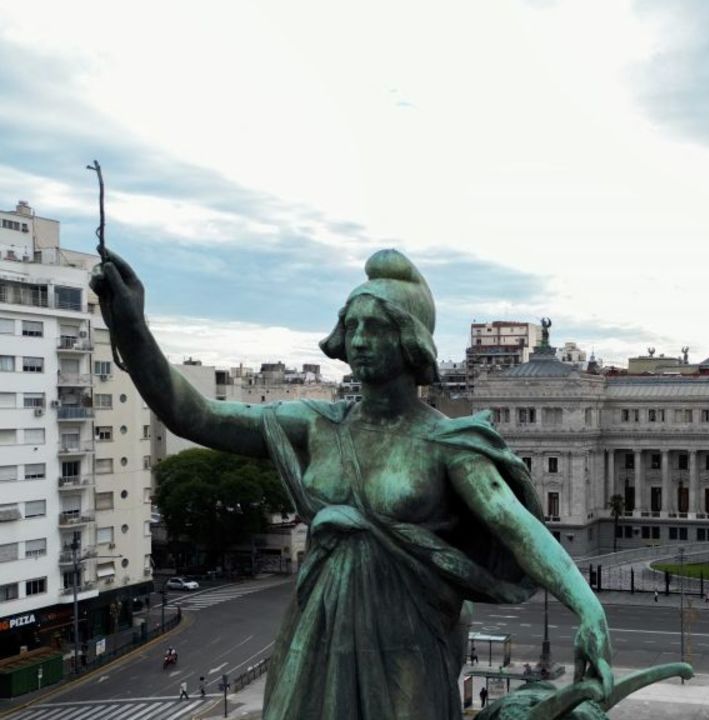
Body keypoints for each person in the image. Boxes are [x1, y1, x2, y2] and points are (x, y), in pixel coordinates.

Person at [91, 249, 614, 720]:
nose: (359, 340)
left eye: (376, 327)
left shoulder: (446, 442)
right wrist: (132, 326)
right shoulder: (316, 423)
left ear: (409, 340)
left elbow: (515, 524)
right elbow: (194, 415)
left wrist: (586, 606)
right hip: (315, 634)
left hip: (406, 644)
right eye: (353, 325)